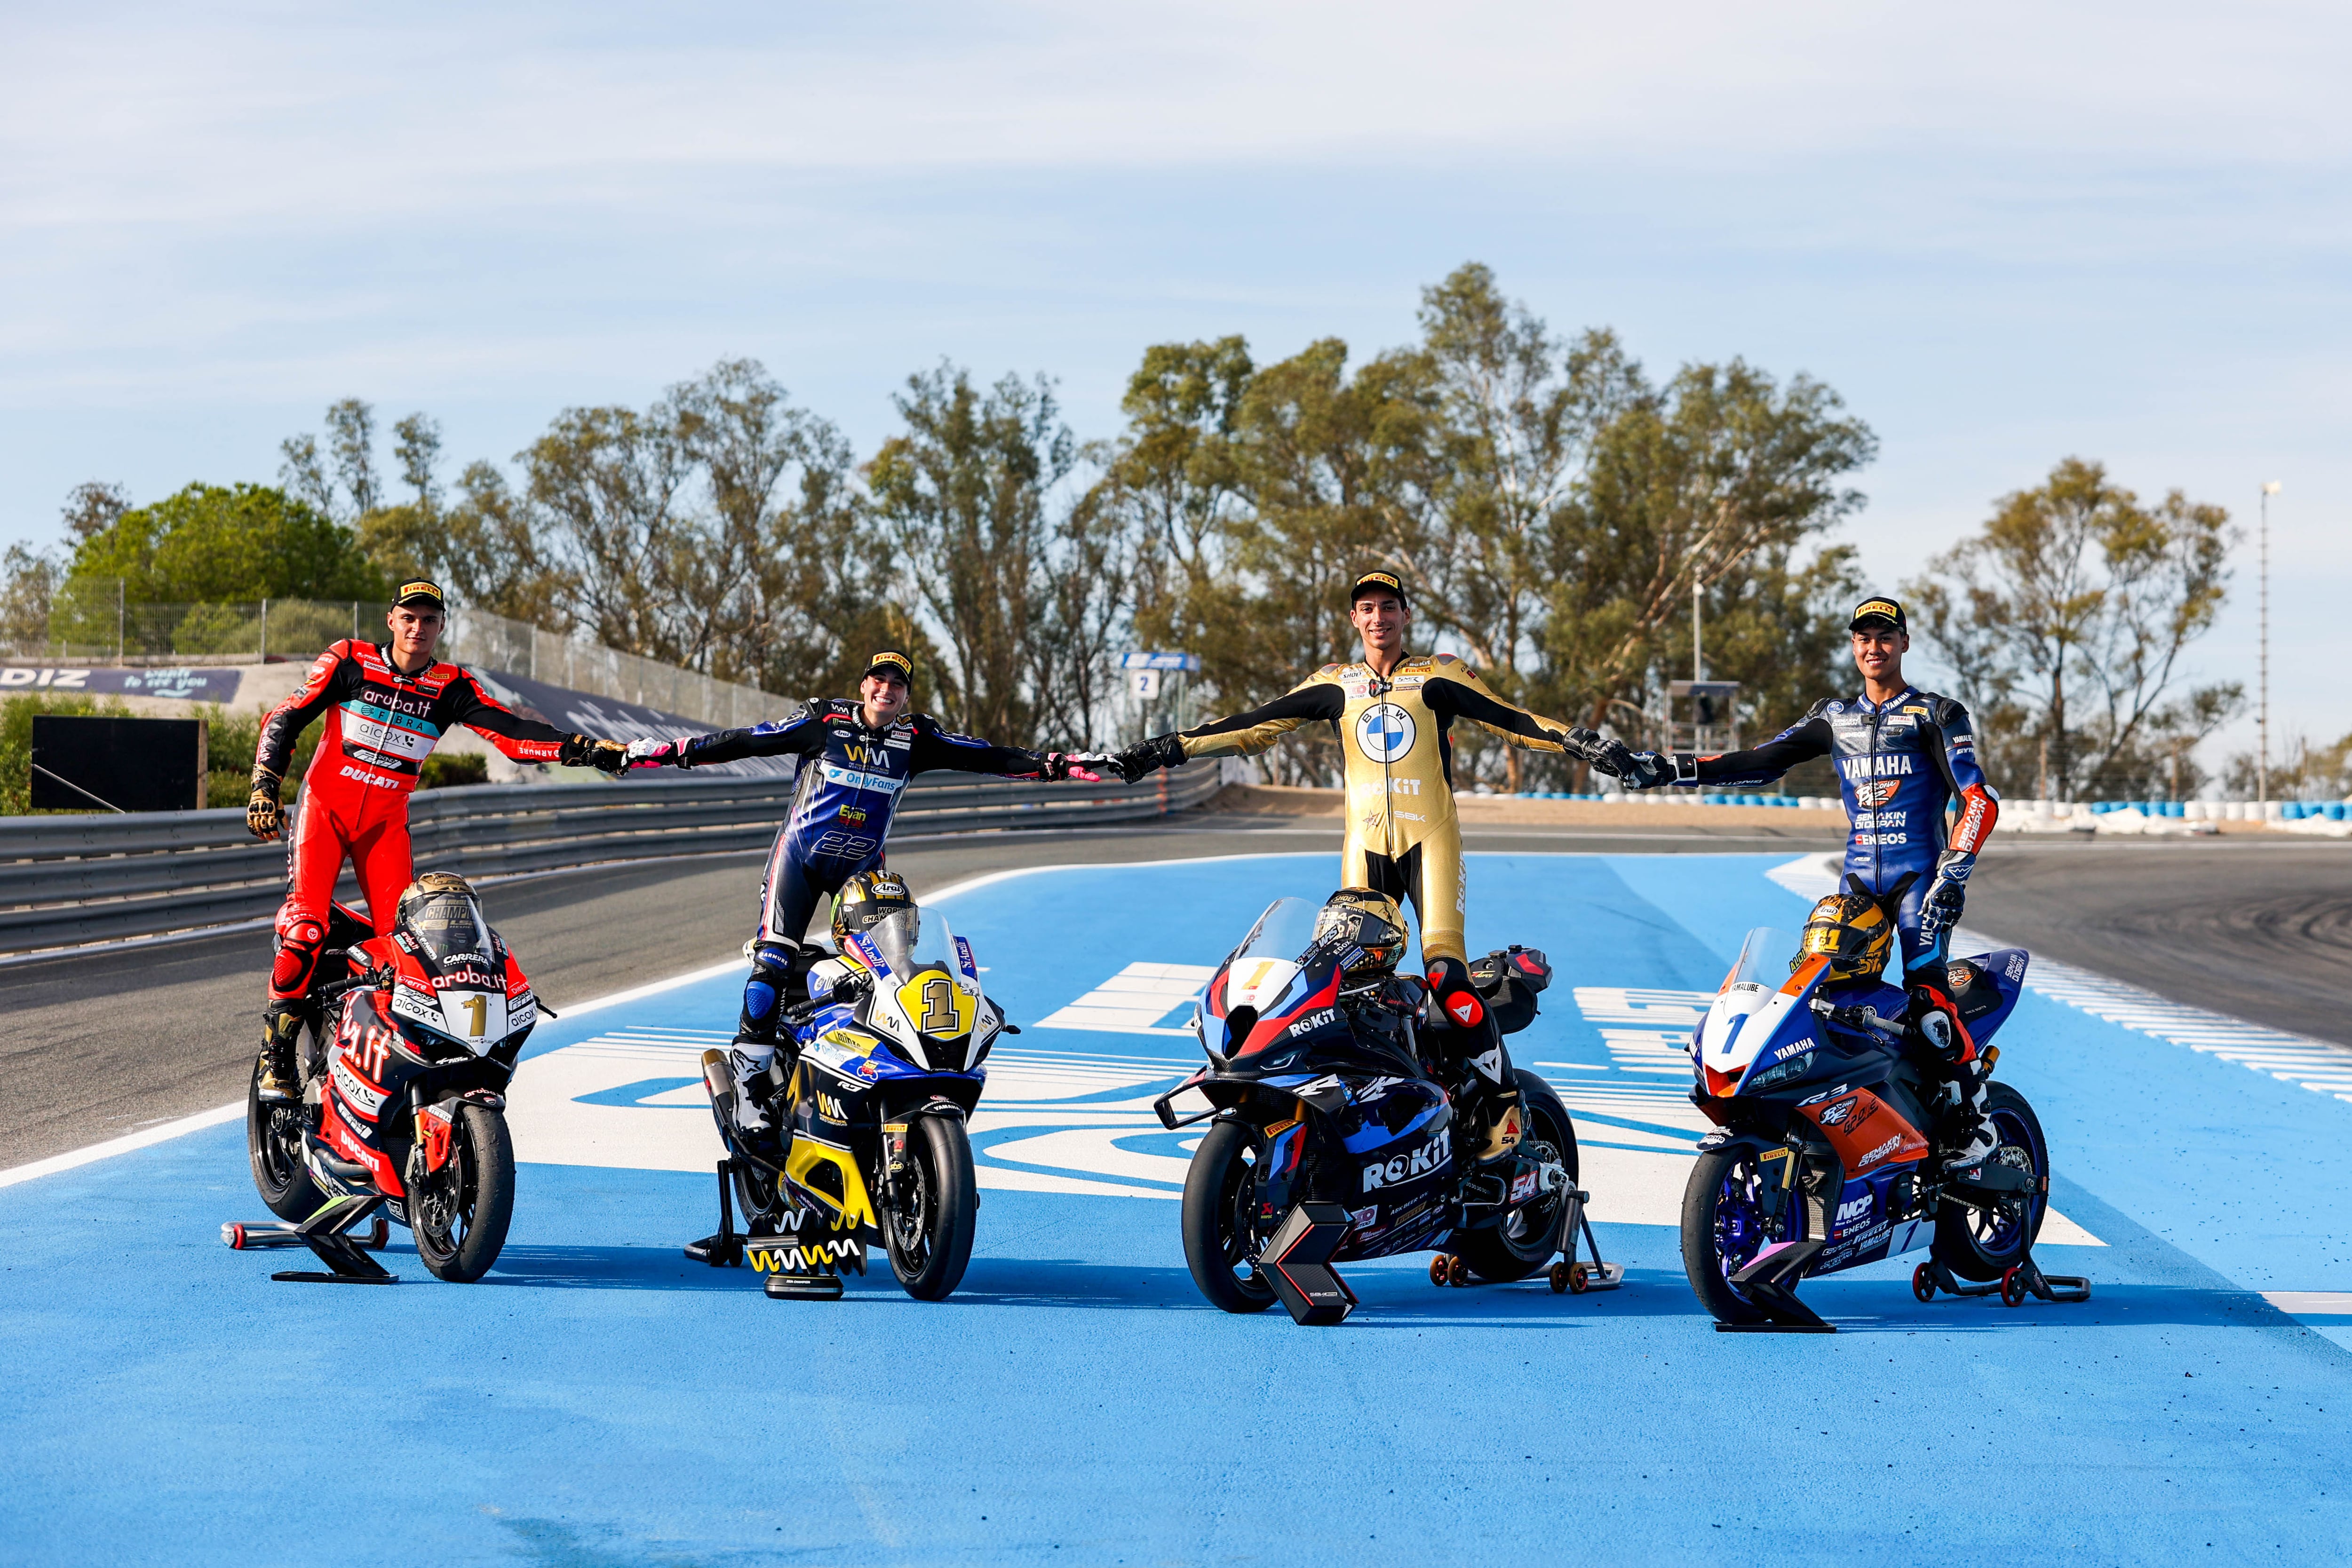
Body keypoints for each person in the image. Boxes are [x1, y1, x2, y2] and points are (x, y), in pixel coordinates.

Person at [1110, 570, 1609, 1164]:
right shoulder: (1335, 685)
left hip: (1430, 844)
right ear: (1354, 620)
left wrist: (1580, 742)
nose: (1378, 618)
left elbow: (1515, 722)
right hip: (1364, 848)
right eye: (1367, 609)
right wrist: (1170, 745)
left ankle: (1502, 1099)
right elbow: (1252, 727)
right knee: (1343, 988)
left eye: (1389, 607)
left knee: (1447, 979)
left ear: (1404, 615)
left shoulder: (1436, 677)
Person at [622, 651, 1109, 1133]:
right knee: (772, 962)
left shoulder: (915, 736)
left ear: (905, 695)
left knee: (891, 971)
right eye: (878, 679)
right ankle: (750, 1081)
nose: (886, 690)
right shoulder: (823, 720)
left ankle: (864, 1069)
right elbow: (746, 741)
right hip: (800, 862)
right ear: (863, 685)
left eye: (897, 684)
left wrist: (1055, 765)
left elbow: (988, 756)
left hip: (862, 872)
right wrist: (667, 752)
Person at [1590, 594, 2001, 1165]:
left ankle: (1973, 1116)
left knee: (1927, 1002)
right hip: (1856, 885)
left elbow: (1978, 798)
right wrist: (1670, 769)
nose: (1873, 646)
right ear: (1852, 646)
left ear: (1903, 643)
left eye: (1885, 636)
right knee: (1816, 1000)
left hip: (1920, 883)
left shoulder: (1936, 713)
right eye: (1863, 637)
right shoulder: (1833, 717)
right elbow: (1760, 760)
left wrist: (1953, 872)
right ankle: (1840, 1121)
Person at [246, 580, 628, 1096]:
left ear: (441, 626)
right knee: (305, 930)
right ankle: (276, 1055)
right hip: (325, 814)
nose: (417, 628)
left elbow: (511, 733)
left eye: (429, 619)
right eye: (409, 617)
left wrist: (579, 748)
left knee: (405, 950)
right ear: (391, 620)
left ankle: (378, 1057)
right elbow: (285, 717)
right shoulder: (349, 660)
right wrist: (265, 784)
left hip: (384, 825)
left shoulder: (450, 685)